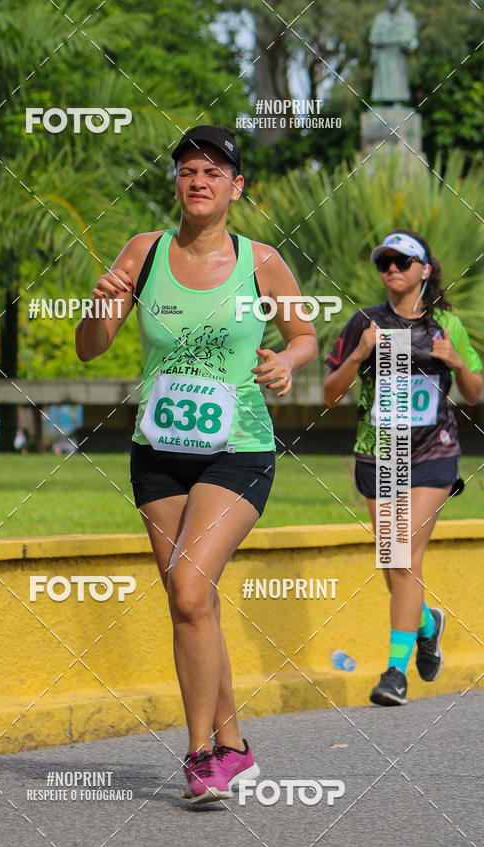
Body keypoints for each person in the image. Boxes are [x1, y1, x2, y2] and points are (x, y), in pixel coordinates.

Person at [76, 125, 318, 802]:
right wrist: (100, 308)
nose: (199, 181)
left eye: (214, 171)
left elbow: (304, 333)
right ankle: (236, 745)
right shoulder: (144, 252)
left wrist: (284, 362)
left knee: (186, 589)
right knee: (196, 602)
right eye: (187, 170)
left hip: (238, 449)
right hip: (158, 453)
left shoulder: (260, 260)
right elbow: (91, 349)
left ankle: (200, 753)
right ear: (176, 184)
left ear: (237, 187)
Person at [324, 229, 482, 706]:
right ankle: (429, 623)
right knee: (394, 561)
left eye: (402, 261)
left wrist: (456, 363)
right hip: (379, 454)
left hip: (435, 452)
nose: (392, 269)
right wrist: (358, 353)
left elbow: (475, 394)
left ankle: (394, 671)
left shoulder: (445, 326)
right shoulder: (364, 323)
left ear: (424, 271)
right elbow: (330, 394)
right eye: (384, 262)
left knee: (403, 552)